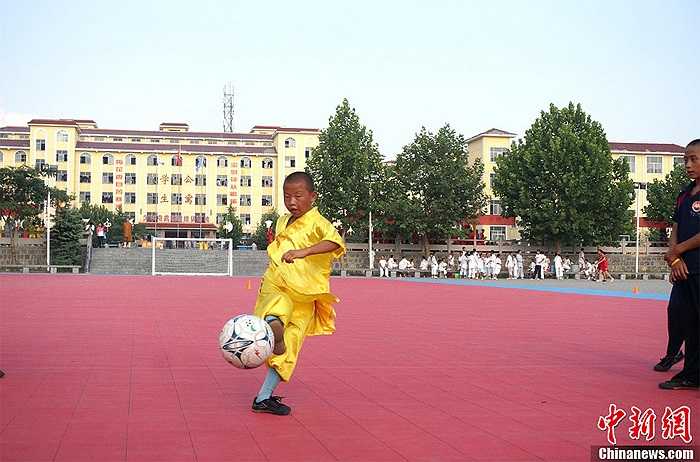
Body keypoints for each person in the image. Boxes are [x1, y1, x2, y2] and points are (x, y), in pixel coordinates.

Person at [251, 172, 346, 414]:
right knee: (277, 311)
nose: (292, 202)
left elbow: (334, 243)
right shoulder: (282, 221)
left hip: (303, 291)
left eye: (298, 196)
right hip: (277, 282)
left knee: (288, 345)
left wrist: (304, 252)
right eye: (287, 196)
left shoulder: (318, 222)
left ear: (312, 197)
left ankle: (263, 397)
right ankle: (274, 322)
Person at [658, 139, 700, 390]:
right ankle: (691, 374)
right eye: (685, 160)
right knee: (686, 319)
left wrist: (678, 250)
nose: (688, 165)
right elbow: (675, 228)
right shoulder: (684, 195)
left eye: (694, 159)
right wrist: (674, 258)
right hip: (683, 270)